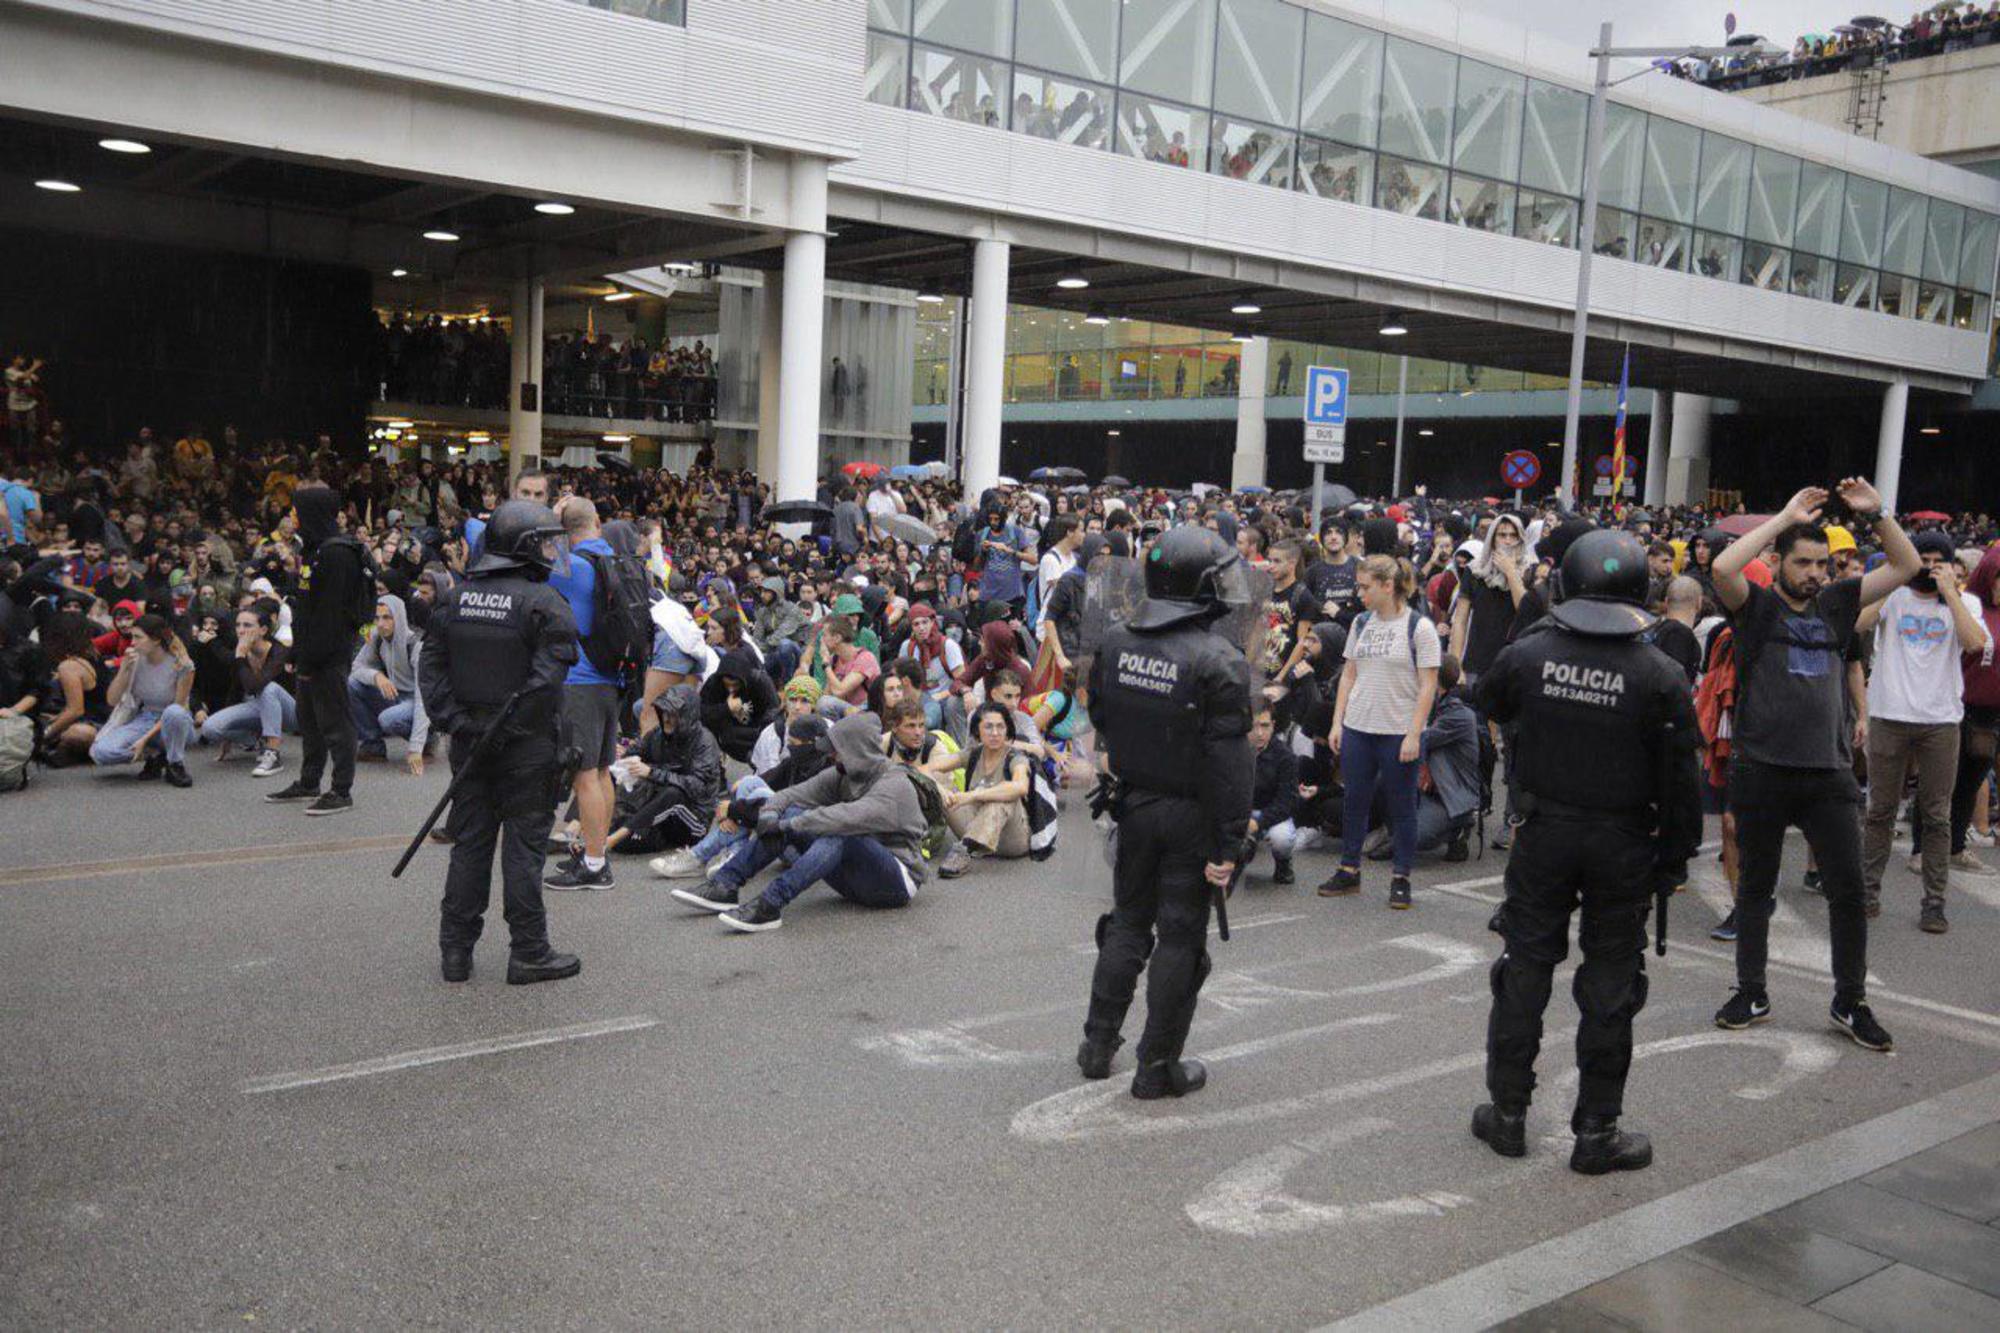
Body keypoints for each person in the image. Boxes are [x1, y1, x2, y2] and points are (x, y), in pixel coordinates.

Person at [1471, 530, 1702, 1175]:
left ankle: (1508, 1113)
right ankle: (1596, 1132)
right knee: (1610, 985)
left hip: (1545, 834)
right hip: (1624, 843)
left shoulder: (1532, 652)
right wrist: (1676, 859)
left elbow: (1488, 698)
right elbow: (1683, 778)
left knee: (1524, 970)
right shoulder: (1661, 672)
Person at [1710, 481, 1917, 1053]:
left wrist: (1877, 514)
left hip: (1827, 774)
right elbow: (1725, 566)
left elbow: (1907, 563)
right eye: (1803, 563)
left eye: (1822, 564)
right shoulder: (1753, 607)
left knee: (1847, 891)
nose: (1815, 573)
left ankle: (1850, 1001)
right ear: (1778, 563)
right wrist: (1783, 515)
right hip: (1763, 770)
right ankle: (1751, 992)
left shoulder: (1838, 602)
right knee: (1755, 889)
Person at [1077, 525, 1254, 1100]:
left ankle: (1098, 1045)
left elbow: (1101, 715)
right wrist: (1230, 844)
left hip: (1135, 802)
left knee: (1127, 922)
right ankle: (1157, 1067)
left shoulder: (1116, 640)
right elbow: (1230, 766)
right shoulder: (1219, 659)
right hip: (1190, 815)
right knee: (1179, 938)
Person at [417, 499, 583, 985]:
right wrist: (504, 728)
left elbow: (432, 670)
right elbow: (545, 681)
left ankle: (456, 952)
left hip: (471, 745)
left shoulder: (454, 597)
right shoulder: (545, 602)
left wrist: (459, 724)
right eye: (546, 542)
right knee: (522, 851)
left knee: (469, 847)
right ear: (523, 546)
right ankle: (529, 951)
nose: (553, 552)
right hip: (526, 747)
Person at [672, 711, 929, 933]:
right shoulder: (843, 774)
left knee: (835, 832)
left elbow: (843, 818)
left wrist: (785, 826)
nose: (833, 757)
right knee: (791, 814)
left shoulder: (894, 786)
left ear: (856, 750)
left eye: (838, 751)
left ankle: (769, 905)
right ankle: (725, 884)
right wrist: (773, 815)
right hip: (857, 878)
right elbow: (790, 795)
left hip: (896, 882)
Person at [1858, 530, 1990, 932]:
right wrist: (1896, 576)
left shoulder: (1966, 602)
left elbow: (1975, 645)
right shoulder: (1895, 595)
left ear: (1950, 565)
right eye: (1922, 559)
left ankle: (1934, 901)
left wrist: (1949, 593)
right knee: (1880, 810)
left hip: (1940, 720)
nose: (1928, 568)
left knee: (1936, 814)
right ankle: (1867, 892)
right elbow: (1860, 623)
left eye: (1937, 561)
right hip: (1889, 715)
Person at [1317, 554, 1441, 908]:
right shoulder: (1359, 623)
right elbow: (1349, 675)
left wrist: (1414, 733)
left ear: (1388, 586)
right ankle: (1348, 870)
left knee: (1402, 806)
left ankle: (1401, 877)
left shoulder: (1419, 627)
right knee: (1355, 801)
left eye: (1366, 587)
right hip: (1358, 726)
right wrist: (1337, 721)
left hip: (1397, 731)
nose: (1360, 593)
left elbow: (1428, 686)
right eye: (1359, 585)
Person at [264, 484, 368, 816]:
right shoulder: (315, 549)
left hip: (330, 654)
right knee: (309, 721)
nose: (291, 515)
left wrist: (310, 658)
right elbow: (306, 607)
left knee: (336, 723)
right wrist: (297, 654)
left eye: (296, 510)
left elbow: (330, 616)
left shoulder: (337, 554)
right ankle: (309, 782)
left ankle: (341, 790)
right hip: (309, 651)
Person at [543, 496, 624, 890]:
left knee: (584, 775)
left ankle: (593, 866)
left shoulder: (571, 566)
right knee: (603, 770)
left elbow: (541, 551)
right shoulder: (614, 556)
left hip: (580, 681)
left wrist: (553, 520)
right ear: (597, 522)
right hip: (611, 678)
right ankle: (597, 854)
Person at [595, 684, 723, 858]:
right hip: (658, 812)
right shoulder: (657, 734)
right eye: (663, 713)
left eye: (673, 714)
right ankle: (584, 830)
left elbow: (697, 787)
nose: (667, 719)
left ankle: (611, 839)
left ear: (686, 716)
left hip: (693, 821)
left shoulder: (704, 742)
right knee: (604, 770)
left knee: (673, 793)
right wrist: (623, 757)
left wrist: (651, 772)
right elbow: (636, 752)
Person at [90, 613, 198, 788]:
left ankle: (175, 764)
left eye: (138, 637)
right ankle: (155, 755)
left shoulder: (182, 664)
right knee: (101, 752)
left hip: (175, 724)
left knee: (174, 712)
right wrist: (124, 669)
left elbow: (180, 707)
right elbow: (112, 700)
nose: (133, 642)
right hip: (145, 718)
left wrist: (143, 740)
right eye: (133, 636)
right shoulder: (134, 660)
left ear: (155, 640)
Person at [197, 604, 296, 778]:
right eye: (238, 625)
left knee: (268, 688)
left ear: (263, 629)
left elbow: (254, 686)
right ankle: (255, 739)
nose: (241, 630)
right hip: (257, 708)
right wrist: (227, 735)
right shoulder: (240, 651)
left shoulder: (279, 650)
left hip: (292, 713)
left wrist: (241, 657)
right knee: (210, 728)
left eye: (247, 625)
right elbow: (236, 689)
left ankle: (273, 753)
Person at [936, 701, 1034, 858]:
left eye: (1000, 727)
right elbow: (927, 769)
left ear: (1007, 729)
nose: (995, 733)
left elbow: (1020, 787)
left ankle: (964, 851)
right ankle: (923, 840)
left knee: (1002, 797)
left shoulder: (1016, 757)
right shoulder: (973, 754)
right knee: (933, 782)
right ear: (977, 730)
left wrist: (974, 795)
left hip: (1011, 840)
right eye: (988, 727)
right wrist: (940, 788)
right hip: (973, 827)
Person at [347, 593, 427, 769]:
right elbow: (357, 667)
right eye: (377, 618)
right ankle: (373, 745)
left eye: (387, 617)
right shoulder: (377, 636)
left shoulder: (415, 645)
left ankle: (427, 739)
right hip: (395, 694)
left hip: (417, 700)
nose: (381, 623)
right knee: (351, 685)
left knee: (388, 719)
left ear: (398, 617)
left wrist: (416, 747)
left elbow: (424, 698)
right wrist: (377, 676)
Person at [1245, 703, 1301, 883]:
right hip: (1239, 812)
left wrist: (1259, 822)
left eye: (1265, 726)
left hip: (1271, 812)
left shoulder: (1285, 756)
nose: (1259, 733)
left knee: (1282, 838)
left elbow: (1287, 802)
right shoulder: (1232, 750)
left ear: (1273, 725)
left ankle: (1283, 863)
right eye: (1254, 726)